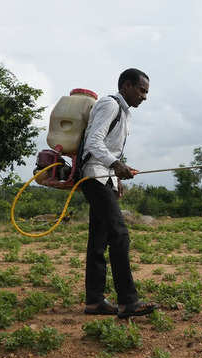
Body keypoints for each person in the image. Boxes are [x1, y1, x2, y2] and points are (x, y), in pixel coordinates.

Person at [80, 68, 157, 319]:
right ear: (126, 86)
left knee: (99, 239)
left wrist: (116, 177)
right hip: (94, 175)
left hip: (104, 178)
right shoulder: (109, 105)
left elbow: (109, 149)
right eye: (142, 90)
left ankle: (94, 302)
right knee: (120, 235)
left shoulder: (125, 114)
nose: (145, 96)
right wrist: (115, 166)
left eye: (146, 92)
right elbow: (93, 142)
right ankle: (128, 302)